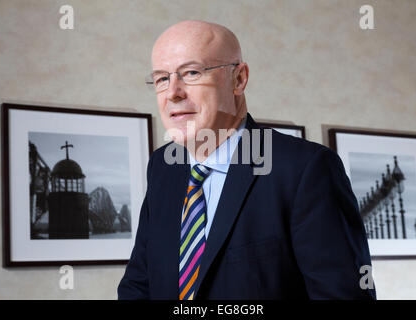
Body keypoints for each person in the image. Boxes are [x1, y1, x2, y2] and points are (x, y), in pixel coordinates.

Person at [118, 20, 376, 300]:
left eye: (191, 73)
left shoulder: (305, 169)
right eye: (162, 79)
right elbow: (138, 284)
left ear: (238, 79)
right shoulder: (162, 167)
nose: (173, 93)